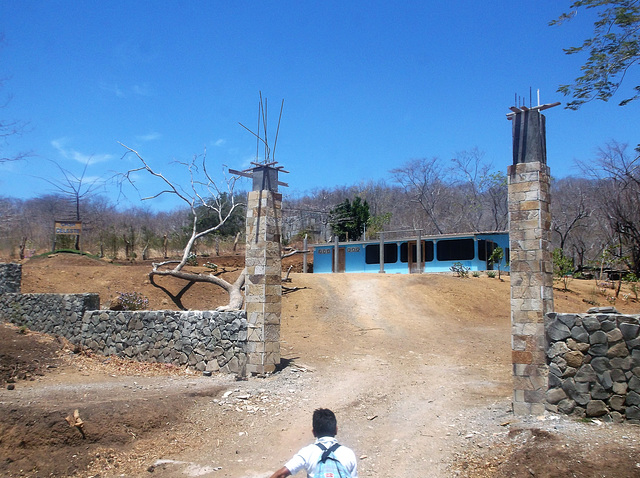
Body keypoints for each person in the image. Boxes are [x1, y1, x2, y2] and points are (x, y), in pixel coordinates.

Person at [269, 408, 358, 478]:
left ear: (314, 432)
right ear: (336, 430)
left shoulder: (307, 452)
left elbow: (281, 474)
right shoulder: (348, 454)